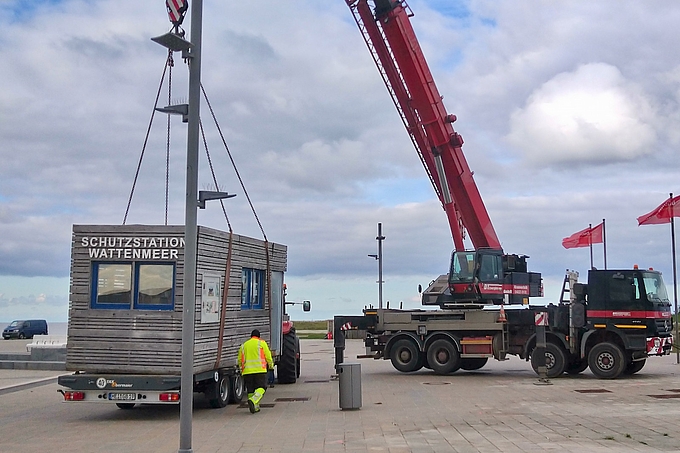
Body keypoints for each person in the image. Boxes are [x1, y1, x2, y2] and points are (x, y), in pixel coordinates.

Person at [238, 329, 274, 413]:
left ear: (251, 336)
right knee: (262, 387)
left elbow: (239, 359)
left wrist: (241, 369)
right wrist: (271, 366)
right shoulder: (261, 343)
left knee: (250, 389)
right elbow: (268, 356)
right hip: (260, 370)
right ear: (259, 336)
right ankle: (254, 400)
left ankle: (255, 407)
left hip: (247, 372)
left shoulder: (244, 345)